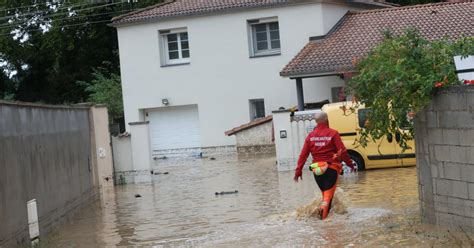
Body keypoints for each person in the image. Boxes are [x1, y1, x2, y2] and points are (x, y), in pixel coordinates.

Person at [293, 111, 356, 220]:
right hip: (330, 168)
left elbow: (303, 155)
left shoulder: (310, 136)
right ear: (326, 120)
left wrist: (298, 172)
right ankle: (323, 220)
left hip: (317, 170)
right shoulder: (333, 133)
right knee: (327, 198)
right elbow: (342, 151)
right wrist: (350, 164)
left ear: (316, 121)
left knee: (326, 196)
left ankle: (326, 226)